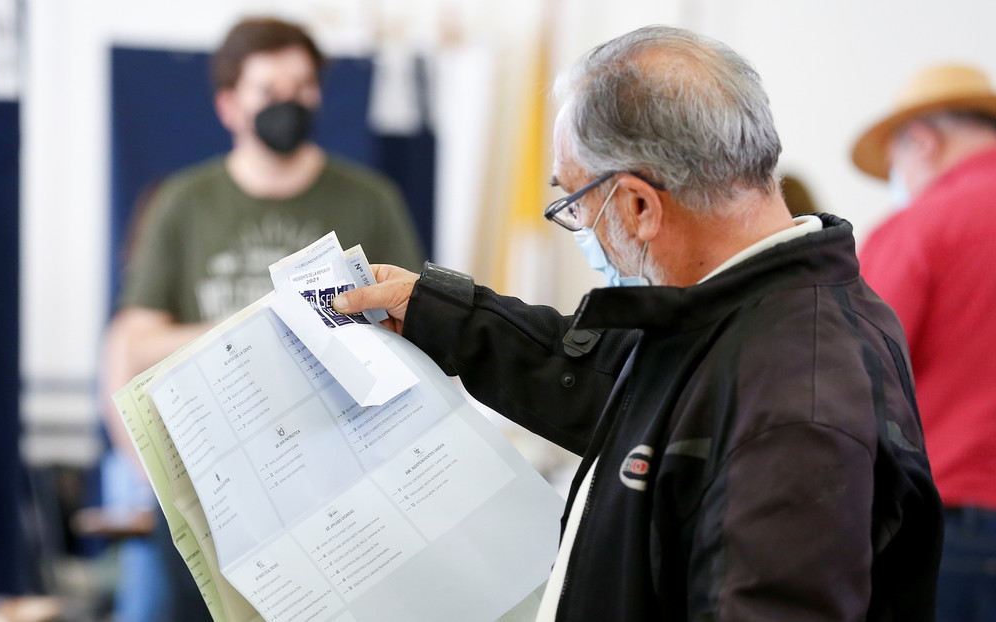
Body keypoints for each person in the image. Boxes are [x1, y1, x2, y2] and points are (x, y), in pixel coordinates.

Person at [333, 25, 942, 621]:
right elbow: (606, 383)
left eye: (573, 203)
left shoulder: (795, 400)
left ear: (639, 205)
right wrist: (436, 311)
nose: (577, 228)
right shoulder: (727, 316)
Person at [106, 17, 425, 622]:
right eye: (269, 90)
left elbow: (411, 328)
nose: (291, 103)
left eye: (303, 86)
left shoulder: (370, 200)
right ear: (230, 105)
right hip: (213, 486)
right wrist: (261, 326)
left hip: (340, 484)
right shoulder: (183, 201)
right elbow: (137, 340)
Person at [852, 63, 996, 621]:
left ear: (922, 141)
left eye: (897, 164)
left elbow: (852, 375)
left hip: (956, 528)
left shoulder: (922, 227)